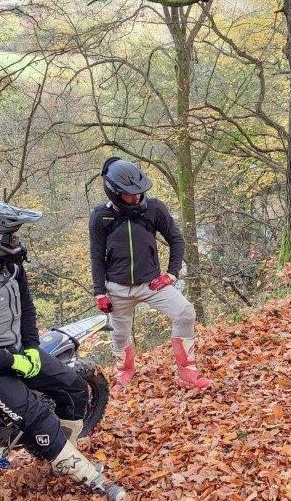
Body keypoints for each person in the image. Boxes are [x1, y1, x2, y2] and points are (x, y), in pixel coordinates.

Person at [0, 199, 126, 501]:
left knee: (75, 388)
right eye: (11, 237)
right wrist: (13, 362)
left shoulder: (11, 268)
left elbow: (27, 311)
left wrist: (30, 349)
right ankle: (95, 480)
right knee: (38, 417)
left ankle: (62, 455)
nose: (17, 242)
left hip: (18, 352)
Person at [89, 157, 211, 390]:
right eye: (129, 193)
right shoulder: (100, 217)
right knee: (119, 334)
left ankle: (188, 372)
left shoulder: (154, 209)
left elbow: (176, 240)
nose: (136, 197)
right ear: (114, 191)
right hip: (117, 288)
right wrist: (99, 292)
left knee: (185, 312)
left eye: (139, 192)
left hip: (152, 284)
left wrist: (172, 274)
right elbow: (96, 255)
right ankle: (124, 373)